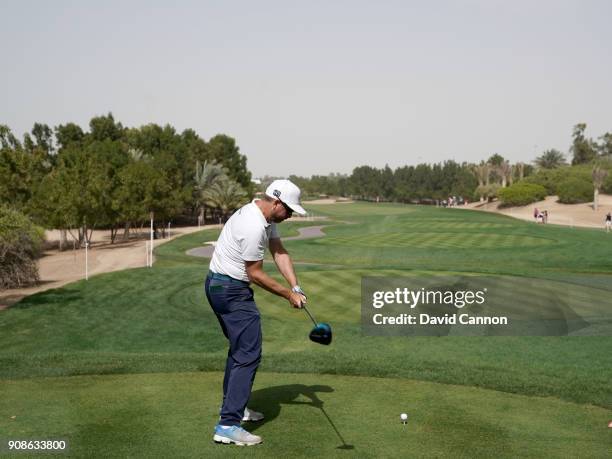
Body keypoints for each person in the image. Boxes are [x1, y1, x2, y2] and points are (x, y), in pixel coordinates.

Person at [205, 179, 308, 446]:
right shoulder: (252, 226)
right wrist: (288, 295)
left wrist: (295, 285)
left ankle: (233, 408)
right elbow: (256, 274)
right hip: (231, 291)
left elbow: (279, 251)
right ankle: (228, 424)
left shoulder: (262, 215)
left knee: (239, 350)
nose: (290, 216)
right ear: (276, 203)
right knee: (249, 354)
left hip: (220, 285)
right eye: (289, 210)